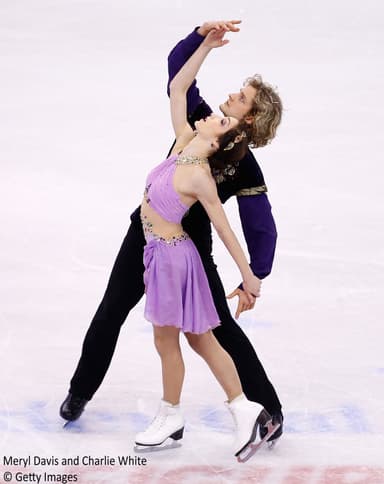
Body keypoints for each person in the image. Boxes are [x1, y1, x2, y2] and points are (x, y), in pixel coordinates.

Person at [60, 19, 283, 444]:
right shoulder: (197, 128)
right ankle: (81, 391)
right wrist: (202, 38)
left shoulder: (219, 148)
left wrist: (256, 272)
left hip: (188, 252)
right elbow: (178, 80)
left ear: (249, 117)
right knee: (116, 312)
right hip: (145, 237)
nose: (230, 97)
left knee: (204, 332)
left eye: (241, 98)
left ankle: (263, 409)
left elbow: (257, 222)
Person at [134, 27, 278, 459]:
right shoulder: (184, 143)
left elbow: (226, 229)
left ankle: (171, 414)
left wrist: (251, 276)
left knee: (168, 341)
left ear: (217, 139)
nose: (211, 111)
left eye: (220, 118)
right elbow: (178, 84)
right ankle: (243, 409)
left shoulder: (199, 176)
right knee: (201, 340)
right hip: (162, 253)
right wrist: (205, 47)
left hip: (173, 261)